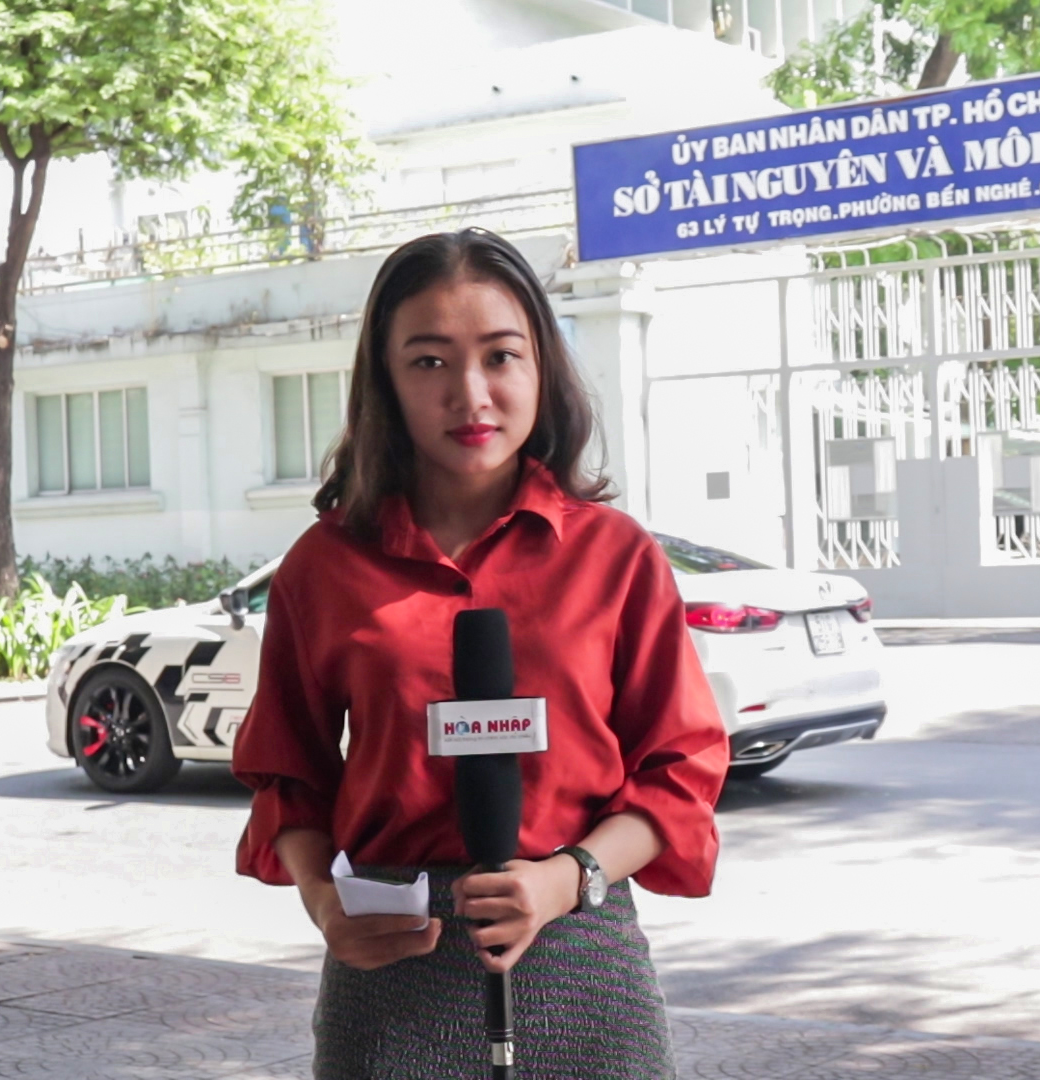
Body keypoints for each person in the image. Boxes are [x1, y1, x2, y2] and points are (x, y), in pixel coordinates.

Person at [231, 229, 730, 1080]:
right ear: (385, 380)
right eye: (429, 361)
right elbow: (289, 775)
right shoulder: (324, 566)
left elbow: (680, 771)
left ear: (542, 368)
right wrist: (324, 903)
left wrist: (567, 879)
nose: (471, 394)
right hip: (393, 967)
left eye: (501, 356)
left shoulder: (614, 556)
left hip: (580, 957)